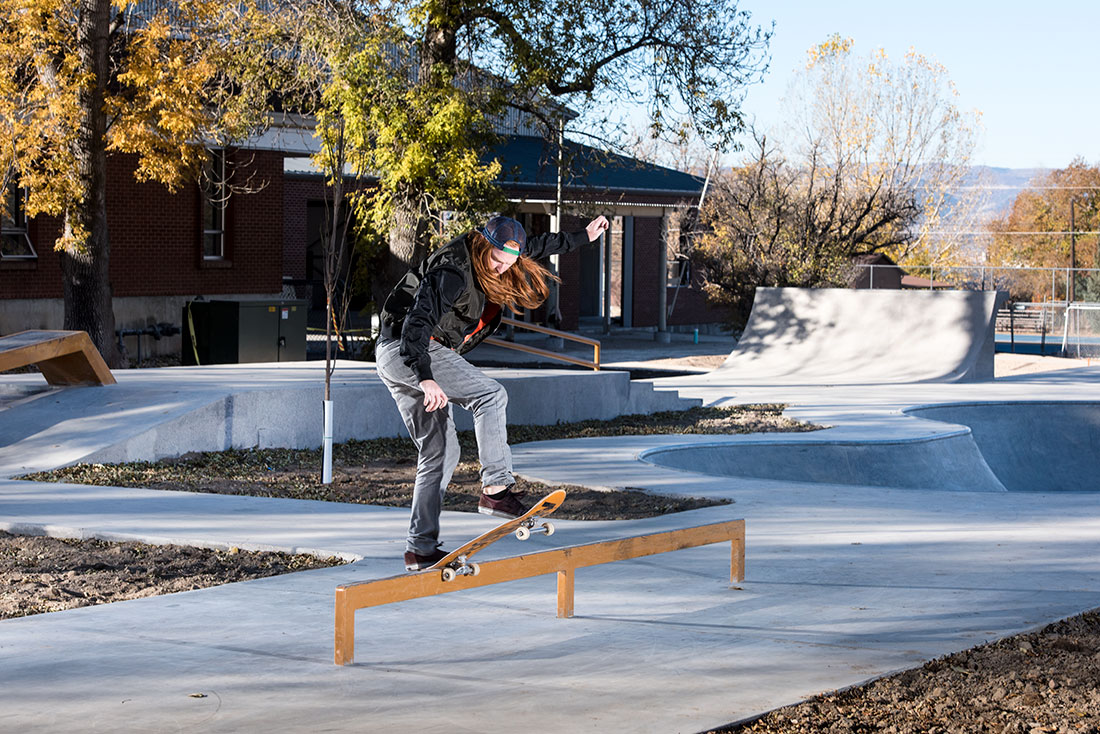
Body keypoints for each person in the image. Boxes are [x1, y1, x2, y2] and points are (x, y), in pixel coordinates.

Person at [376, 214, 610, 570]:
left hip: (397, 356)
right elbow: (417, 322)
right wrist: (425, 376)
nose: (501, 269)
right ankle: (496, 490)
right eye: (496, 261)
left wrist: (583, 237)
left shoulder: (505, 252)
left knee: (441, 452)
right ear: (483, 245)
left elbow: (538, 245)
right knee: (490, 395)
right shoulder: (453, 270)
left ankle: (420, 549)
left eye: (509, 263)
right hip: (411, 349)